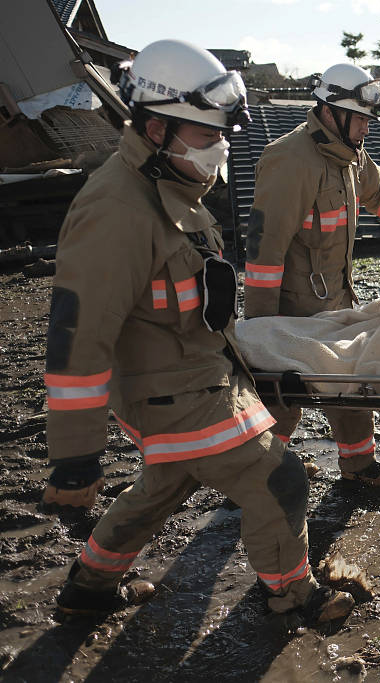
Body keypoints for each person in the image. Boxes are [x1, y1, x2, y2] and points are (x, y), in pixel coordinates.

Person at [42, 39, 352, 625]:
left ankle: (89, 587)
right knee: (278, 475)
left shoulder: (170, 188)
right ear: (158, 128)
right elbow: (78, 338)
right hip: (172, 390)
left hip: (200, 376)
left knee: (167, 484)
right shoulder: (117, 210)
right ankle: (291, 595)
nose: (220, 149)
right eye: (209, 136)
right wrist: (75, 459)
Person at [243, 63, 380, 487]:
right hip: (292, 309)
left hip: (336, 298)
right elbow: (266, 250)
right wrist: (261, 329)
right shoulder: (290, 160)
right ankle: (258, 474)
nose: (367, 131)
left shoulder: (348, 155)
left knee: (351, 384)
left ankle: (358, 468)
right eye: (361, 120)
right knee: (282, 396)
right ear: (332, 110)